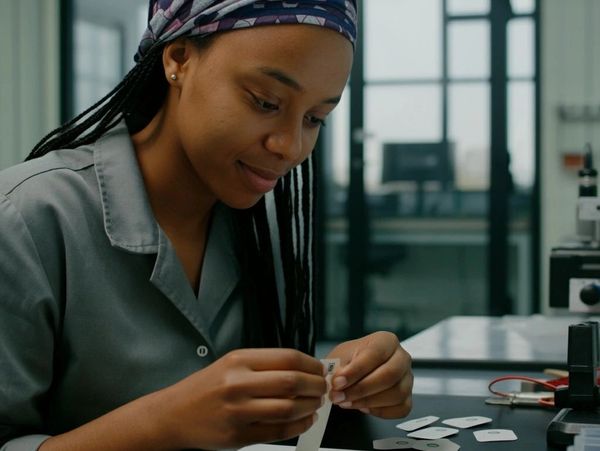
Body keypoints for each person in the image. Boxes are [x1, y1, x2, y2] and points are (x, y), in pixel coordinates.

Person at [0, 1, 413, 450]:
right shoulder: (27, 220)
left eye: (315, 119)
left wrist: (340, 383)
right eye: (265, 102)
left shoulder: (264, 227)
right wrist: (165, 421)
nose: (290, 146)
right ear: (179, 59)